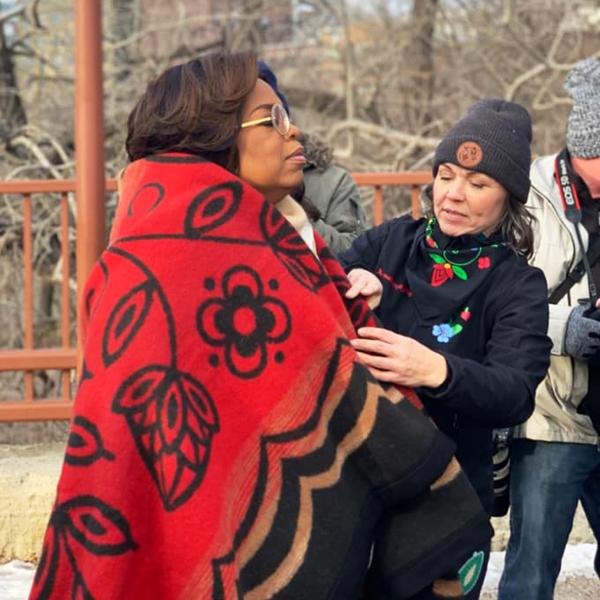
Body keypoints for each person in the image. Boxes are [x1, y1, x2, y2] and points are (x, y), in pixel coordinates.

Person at [29, 52, 491, 600]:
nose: (293, 129)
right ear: (214, 134)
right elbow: (131, 459)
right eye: (271, 119)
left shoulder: (286, 240)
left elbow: (327, 382)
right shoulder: (156, 265)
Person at [340, 98, 552, 599]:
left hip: (451, 493)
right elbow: (316, 296)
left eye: (478, 185)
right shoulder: (391, 243)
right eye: (447, 175)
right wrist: (348, 287)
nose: (454, 195)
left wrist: (434, 369)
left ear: (508, 199)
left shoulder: (517, 284)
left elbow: (514, 391)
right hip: (360, 485)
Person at [498, 57, 600, 600]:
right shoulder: (527, 195)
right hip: (551, 419)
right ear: (588, 148)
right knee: (530, 575)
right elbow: (493, 297)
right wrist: (568, 328)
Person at [258, 61, 368, 255]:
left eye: (275, 120)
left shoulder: (332, 181)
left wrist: (292, 207)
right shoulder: (214, 183)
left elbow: (356, 256)